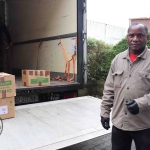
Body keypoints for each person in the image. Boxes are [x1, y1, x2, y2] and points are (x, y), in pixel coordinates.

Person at [100, 22, 150, 150]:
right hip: (119, 123)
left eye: (140, 35)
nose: (135, 39)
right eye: (131, 35)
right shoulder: (118, 59)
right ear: (127, 37)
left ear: (147, 37)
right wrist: (104, 112)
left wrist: (142, 103)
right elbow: (109, 88)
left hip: (144, 125)